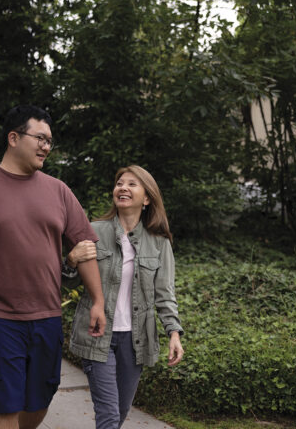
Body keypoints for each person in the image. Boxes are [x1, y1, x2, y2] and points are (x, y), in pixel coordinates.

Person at [0, 105, 107, 429]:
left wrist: (98, 301)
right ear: (13, 138)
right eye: (40, 138)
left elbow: (85, 248)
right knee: (4, 405)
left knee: (39, 398)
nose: (46, 146)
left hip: (47, 315)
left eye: (50, 141)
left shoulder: (59, 191)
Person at [66, 165, 184, 429]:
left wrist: (173, 333)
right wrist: (71, 260)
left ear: (146, 198)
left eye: (132, 184)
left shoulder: (159, 242)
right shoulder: (93, 231)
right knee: (108, 415)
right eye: (120, 183)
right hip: (98, 336)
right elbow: (64, 281)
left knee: (118, 413)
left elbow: (165, 294)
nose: (123, 188)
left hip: (136, 339)